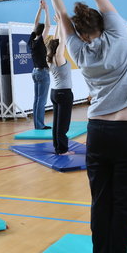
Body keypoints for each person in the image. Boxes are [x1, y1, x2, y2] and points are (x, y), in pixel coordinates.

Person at [43, 0, 127, 253]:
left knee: (101, 200)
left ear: (78, 29)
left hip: (98, 132)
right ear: (102, 23)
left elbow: (61, 12)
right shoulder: (117, 33)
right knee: (126, 203)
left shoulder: (75, 47)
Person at [46, 14, 74, 155]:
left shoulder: (49, 58)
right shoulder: (59, 58)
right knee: (63, 125)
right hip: (64, 94)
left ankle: (58, 147)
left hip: (55, 93)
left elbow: (57, 40)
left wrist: (57, 24)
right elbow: (62, 40)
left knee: (57, 123)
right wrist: (62, 23)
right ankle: (62, 150)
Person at [28, 0, 51, 130]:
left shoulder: (31, 40)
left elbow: (36, 23)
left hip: (35, 72)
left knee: (37, 99)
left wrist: (39, 9)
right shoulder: (40, 41)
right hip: (42, 72)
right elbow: (47, 26)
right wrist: (46, 9)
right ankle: (40, 125)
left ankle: (38, 124)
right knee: (41, 100)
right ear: (42, 32)